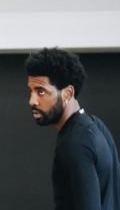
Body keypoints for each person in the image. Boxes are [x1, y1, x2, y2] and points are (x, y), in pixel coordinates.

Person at [25, 47, 120, 210]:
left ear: (68, 93)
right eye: (31, 91)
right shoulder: (96, 126)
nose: (32, 101)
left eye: (41, 91)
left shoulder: (74, 143)